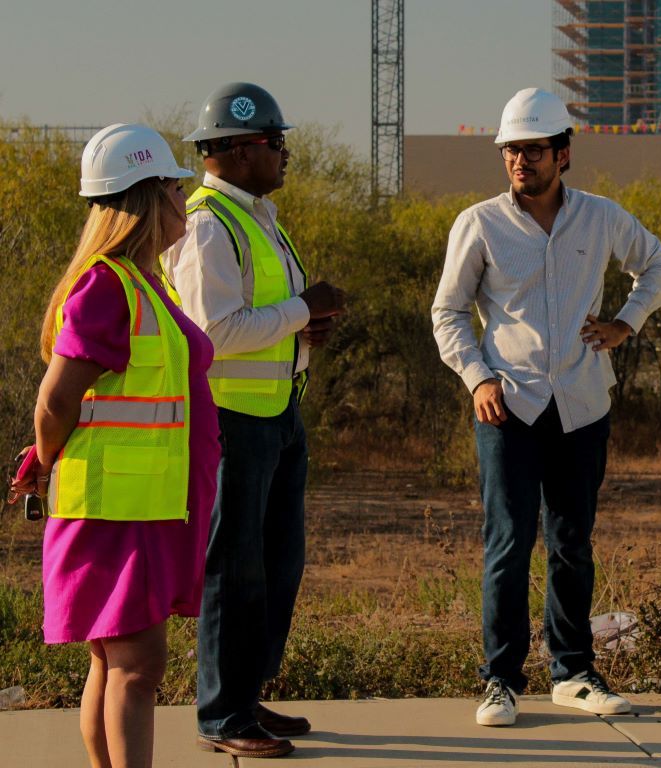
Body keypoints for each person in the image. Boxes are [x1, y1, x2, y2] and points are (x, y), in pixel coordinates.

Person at [432, 87, 661, 727]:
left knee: (572, 542)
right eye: (512, 150)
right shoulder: (479, 224)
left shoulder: (600, 218)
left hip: (582, 405)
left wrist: (626, 323)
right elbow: (449, 312)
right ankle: (500, 681)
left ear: (563, 154)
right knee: (508, 544)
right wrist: (477, 378)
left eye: (534, 150)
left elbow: (659, 266)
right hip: (507, 407)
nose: (521, 161)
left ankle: (572, 672)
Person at [8, 123, 216, 767]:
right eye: (175, 186)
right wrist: (44, 463)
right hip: (115, 511)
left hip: (137, 507)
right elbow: (55, 400)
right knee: (139, 665)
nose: (184, 196)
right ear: (147, 197)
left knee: (114, 659)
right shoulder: (108, 287)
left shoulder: (144, 282)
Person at [162, 82, 343, 758]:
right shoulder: (209, 222)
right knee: (232, 568)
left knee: (273, 564)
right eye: (276, 143)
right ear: (240, 151)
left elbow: (259, 317)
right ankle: (221, 714)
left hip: (276, 412)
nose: (286, 154)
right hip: (235, 422)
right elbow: (214, 329)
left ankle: (245, 697)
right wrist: (303, 310)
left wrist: (301, 335)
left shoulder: (257, 215)